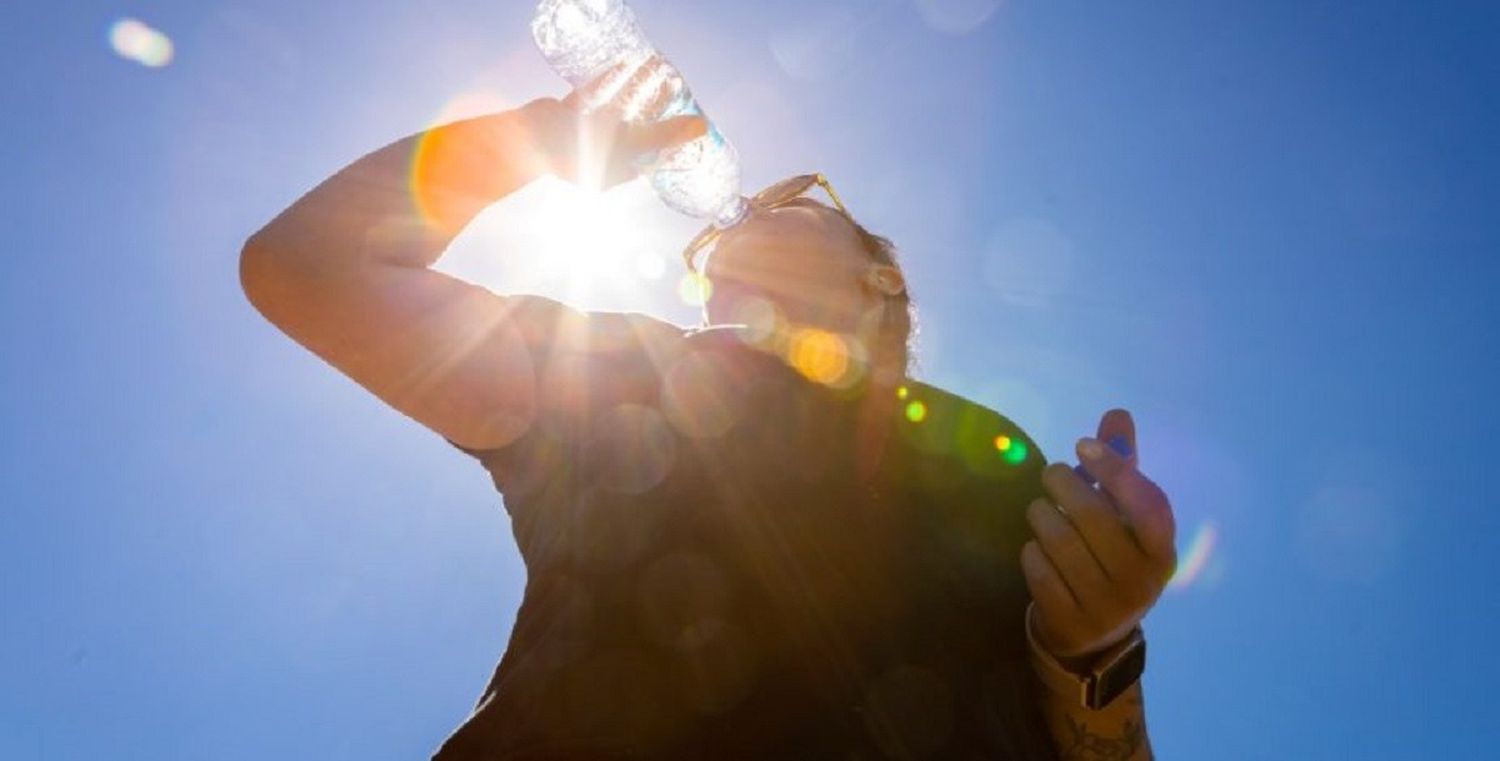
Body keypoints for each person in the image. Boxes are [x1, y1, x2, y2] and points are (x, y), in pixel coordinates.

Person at [241, 84, 1178, 759]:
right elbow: (306, 268)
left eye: (787, 201)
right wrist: (526, 145)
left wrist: (1095, 647)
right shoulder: (626, 373)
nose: (731, 223)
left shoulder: (987, 451)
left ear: (879, 280)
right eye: (704, 257)